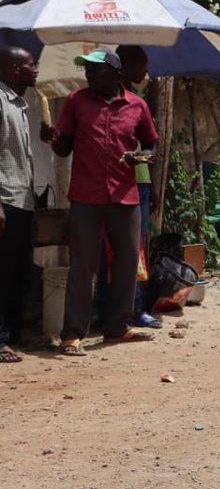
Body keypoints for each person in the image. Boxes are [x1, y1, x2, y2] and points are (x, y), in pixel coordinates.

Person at [46, 49, 158, 355]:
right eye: (87, 70)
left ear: (115, 73)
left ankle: (117, 327)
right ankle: (72, 334)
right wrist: (54, 138)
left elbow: (151, 145)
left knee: (125, 264)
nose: (89, 75)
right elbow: (64, 149)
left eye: (95, 70)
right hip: (86, 196)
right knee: (82, 264)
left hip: (125, 196)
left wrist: (140, 157)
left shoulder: (137, 105)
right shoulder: (76, 102)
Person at [95, 45, 160, 329]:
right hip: (115, 186)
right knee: (120, 249)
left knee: (134, 249)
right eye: (142, 65)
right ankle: (125, 307)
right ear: (125, 66)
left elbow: (150, 147)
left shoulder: (138, 100)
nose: (146, 71)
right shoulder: (107, 99)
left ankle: (129, 305)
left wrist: (147, 173)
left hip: (140, 181)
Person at [0, 46, 51, 364]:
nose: (36, 69)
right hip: (6, 199)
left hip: (23, 198)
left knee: (19, 271)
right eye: (31, 65)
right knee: (3, 273)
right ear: (15, 69)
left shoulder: (21, 103)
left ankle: (14, 333)